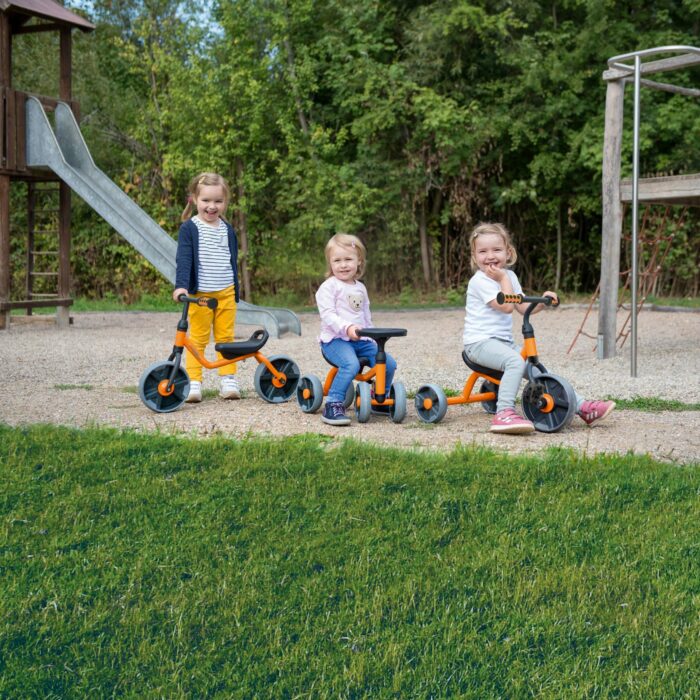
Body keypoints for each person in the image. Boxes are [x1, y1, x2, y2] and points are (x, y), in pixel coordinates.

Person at [463, 222, 615, 434]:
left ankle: (582, 407)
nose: (490, 256)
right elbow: (507, 306)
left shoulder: (510, 277)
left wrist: (542, 302)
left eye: (496, 250)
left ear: (508, 252)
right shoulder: (480, 281)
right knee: (515, 361)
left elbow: (521, 306)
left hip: (502, 344)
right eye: (483, 251)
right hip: (478, 344)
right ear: (474, 255)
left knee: (539, 370)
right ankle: (504, 413)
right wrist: (503, 278)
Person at [315, 233, 397, 426]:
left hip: (361, 341)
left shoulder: (360, 288)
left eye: (348, 259)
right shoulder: (328, 288)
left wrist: (373, 336)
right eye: (337, 260)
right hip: (335, 341)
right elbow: (328, 315)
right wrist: (348, 327)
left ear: (359, 261)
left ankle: (379, 398)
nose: (343, 265)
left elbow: (366, 317)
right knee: (350, 365)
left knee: (389, 363)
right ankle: (333, 403)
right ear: (330, 263)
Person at [172, 172, 241, 403]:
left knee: (226, 338)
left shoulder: (227, 229)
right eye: (206, 201)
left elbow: (231, 260)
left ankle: (228, 379)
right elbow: (184, 260)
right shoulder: (189, 229)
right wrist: (182, 286)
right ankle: (194, 382)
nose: (212, 206)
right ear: (194, 199)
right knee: (198, 339)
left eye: (218, 201)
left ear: (225, 203)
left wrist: (235, 288)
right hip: (200, 295)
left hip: (226, 292)